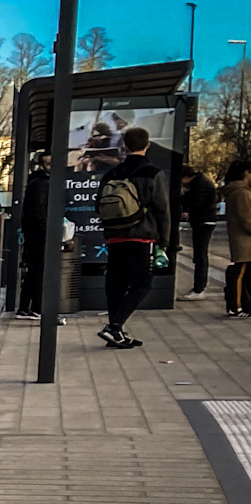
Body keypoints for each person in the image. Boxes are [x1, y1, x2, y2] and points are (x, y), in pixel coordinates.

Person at [95, 126, 170, 350]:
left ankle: (115, 331)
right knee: (141, 283)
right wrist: (164, 242)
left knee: (116, 283)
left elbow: (100, 205)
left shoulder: (111, 174)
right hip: (141, 236)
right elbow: (162, 210)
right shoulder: (152, 173)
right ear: (147, 145)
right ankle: (114, 326)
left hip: (114, 236)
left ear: (124, 146)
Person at [13, 156, 51, 318]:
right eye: (49, 163)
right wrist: (47, 230)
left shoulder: (34, 183)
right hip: (39, 233)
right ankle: (35, 307)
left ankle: (24, 307)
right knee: (39, 270)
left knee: (33, 271)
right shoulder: (43, 184)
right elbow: (39, 212)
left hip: (33, 232)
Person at [179, 164, 219, 298]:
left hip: (204, 220)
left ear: (186, 177)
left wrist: (188, 207)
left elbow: (197, 203)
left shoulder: (200, 184)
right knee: (200, 253)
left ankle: (199, 288)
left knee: (200, 254)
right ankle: (199, 287)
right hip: (204, 220)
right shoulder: (201, 181)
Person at [225, 161, 251, 319]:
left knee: (244, 272)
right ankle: (237, 306)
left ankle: (242, 305)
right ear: (246, 173)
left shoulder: (238, 191)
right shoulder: (242, 193)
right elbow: (247, 219)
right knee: (240, 273)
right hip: (244, 240)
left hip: (243, 239)